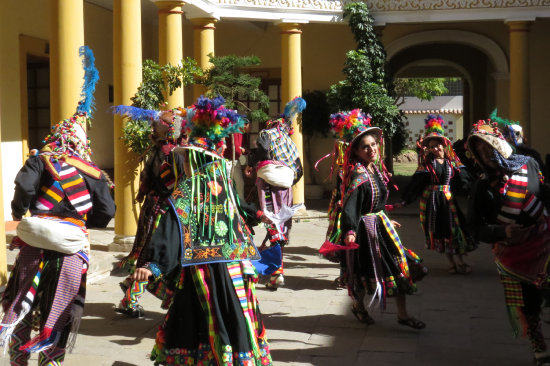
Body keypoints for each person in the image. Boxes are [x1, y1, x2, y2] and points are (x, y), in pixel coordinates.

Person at [131, 96, 273, 365]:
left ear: (196, 162)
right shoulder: (219, 186)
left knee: (201, 322)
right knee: (235, 316)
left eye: (187, 159)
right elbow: (239, 207)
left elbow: (173, 226)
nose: (183, 164)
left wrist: (153, 263)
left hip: (202, 271)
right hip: (232, 267)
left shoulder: (189, 190)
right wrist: (258, 214)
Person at [0, 46, 116, 365]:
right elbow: (107, 212)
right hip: (70, 248)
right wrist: (84, 223)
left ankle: (17, 357)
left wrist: (17, 212)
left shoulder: (41, 160)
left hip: (34, 240)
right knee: (60, 307)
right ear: (82, 144)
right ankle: (51, 360)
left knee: (22, 298)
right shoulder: (93, 172)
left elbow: (23, 186)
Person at [329, 109, 426, 329]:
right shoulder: (357, 175)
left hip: (381, 228)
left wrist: (386, 220)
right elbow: (350, 207)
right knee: (365, 273)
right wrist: (350, 231)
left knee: (399, 268)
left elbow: (377, 202)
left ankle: (402, 314)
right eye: (365, 146)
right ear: (355, 151)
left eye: (373, 144)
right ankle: (358, 306)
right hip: (365, 233)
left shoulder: (375, 170)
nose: (371, 149)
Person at [466, 120, 550, 366]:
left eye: (487, 147)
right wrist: (501, 231)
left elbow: (544, 193)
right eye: (478, 150)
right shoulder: (482, 186)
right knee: (529, 302)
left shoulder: (530, 165)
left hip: (544, 241)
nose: (484, 153)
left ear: (501, 145)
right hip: (513, 253)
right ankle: (539, 347)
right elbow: (474, 226)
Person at [112, 106, 187, 318]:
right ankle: (130, 298)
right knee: (155, 256)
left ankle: (130, 289)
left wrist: (142, 194)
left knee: (153, 254)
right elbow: (177, 184)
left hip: (156, 206)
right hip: (166, 210)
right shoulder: (175, 153)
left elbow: (145, 180)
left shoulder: (158, 150)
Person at [396, 114, 477, 274]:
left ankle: (461, 261)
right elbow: (416, 185)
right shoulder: (427, 165)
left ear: (444, 145)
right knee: (443, 231)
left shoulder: (452, 162)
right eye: (432, 146)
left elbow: (466, 180)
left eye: (438, 145)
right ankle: (453, 263)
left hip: (449, 201)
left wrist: (473, 191)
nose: (436, 149)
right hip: (434, 203)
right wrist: (405, 202)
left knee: (456, 229)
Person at [245, 97, 305, 290]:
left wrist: (254, 165)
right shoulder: (289, 143)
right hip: (285, 189)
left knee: (273, 224)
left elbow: (261, 153)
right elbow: (299, 170)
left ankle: (276, 271)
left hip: (269, 188)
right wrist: (286, 180)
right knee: (282, 227)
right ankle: (275, 273)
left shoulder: (266, 135)